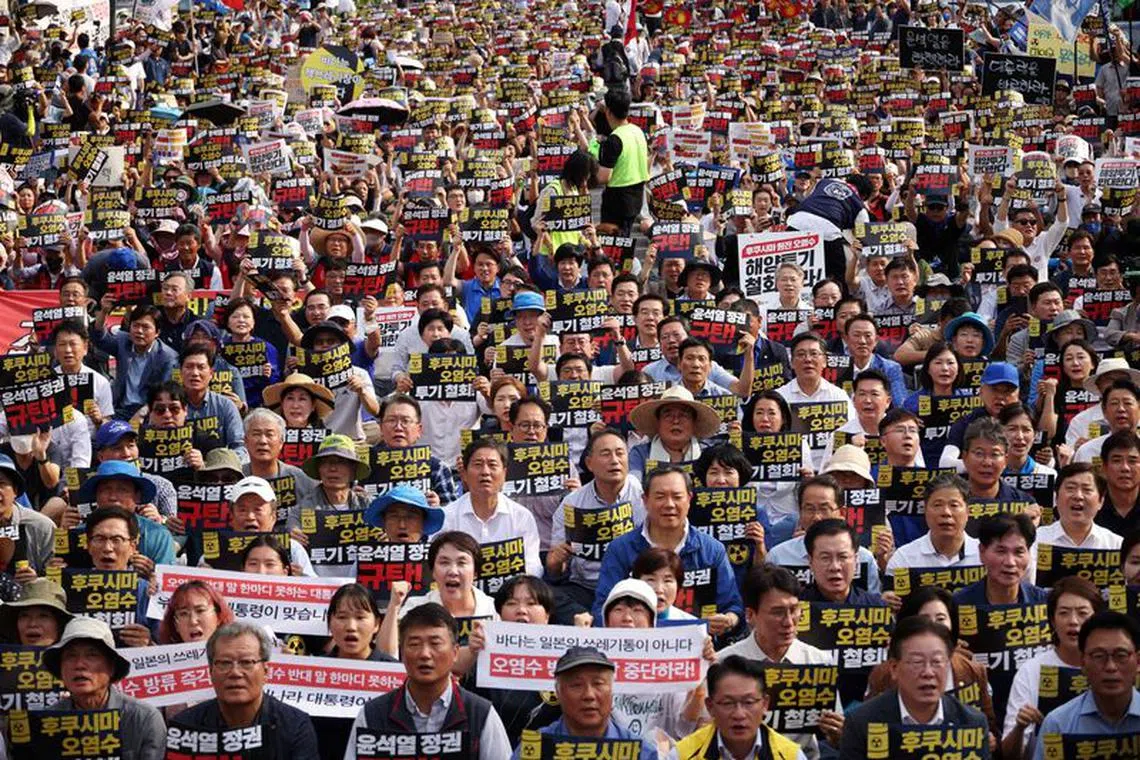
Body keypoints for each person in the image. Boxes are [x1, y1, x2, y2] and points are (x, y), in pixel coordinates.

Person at [346, 603, 511, 760]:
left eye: (435, 643)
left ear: (455, 653)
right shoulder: (372, 715)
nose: (425, 654)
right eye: (414, 644)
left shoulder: (480, 714)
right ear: (402, 653)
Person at [592, 466, 743, 635]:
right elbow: (602, 607)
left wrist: (728, 620)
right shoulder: (621, 549)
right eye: (660, 497)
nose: (669, 504)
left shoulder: (712, 550)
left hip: (698, 647)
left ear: (689, 499)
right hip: (634, 645)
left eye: (677, 497)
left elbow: (733, 607)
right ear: (645, 500)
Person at [717, 566, 844, 758]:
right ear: (750, 615)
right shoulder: (724, 664)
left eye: (794, 610)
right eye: (777, 612)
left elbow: (835, 735)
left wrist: (838, 734)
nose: (788, 622)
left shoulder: (818, 661)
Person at [840, 617, 992, 760]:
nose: (928, 672)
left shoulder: (972, 722)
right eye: (917, 662)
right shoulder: (861, 723)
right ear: (894, 668)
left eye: (937, 662)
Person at [865, 586, 998, 737]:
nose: (934, 626)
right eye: (924, 619)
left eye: (941, 619)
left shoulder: (973, 670)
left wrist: (988, 740)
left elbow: (989, 724)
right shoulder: (884, 674)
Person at [173, 621, 319, 756]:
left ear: (266, 671)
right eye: (224, 663)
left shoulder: (295, 726)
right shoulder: (185, 727)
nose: (235, 672)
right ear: (210, 671)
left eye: (246, 662)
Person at [548, 427, 645, 624]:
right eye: (606, 454)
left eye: (620, 453)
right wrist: (555, 561)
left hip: (630, 586)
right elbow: (555, 571)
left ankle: (595, 622)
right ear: (589, 463)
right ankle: (591, 620)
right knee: (545, 596)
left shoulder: (644, 496)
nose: (615, 460)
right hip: (584, 587)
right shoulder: (571, 504)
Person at [1003, 576, 1104, 759]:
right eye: (1064, 613)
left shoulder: (1112, 667)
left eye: (1083, 613)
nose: (1073, 621)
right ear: (1052, 620)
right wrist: (1020, 727)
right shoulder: (1031, 671)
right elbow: (1010, 755)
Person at [43, 617, 165, 760]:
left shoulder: (144, 719)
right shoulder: (47, 723)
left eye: (92, 655)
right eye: (71, 656)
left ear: (112, 667)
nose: (79, 664)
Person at [508, 645, 660, 760]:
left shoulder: (640, 752)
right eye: (576, 685)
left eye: (598, 684)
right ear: (558, 693)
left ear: (612, 690)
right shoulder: (536, 749)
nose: (589, 695)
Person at [1033, 611, 1140, 760]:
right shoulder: (1058, 724)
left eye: (1120, 655)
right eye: (1098, 656)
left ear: (1138, 662)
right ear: (1083, 662)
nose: (1110, 667)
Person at [767, 473, 884, 595]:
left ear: (842, 512)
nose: (817, 517)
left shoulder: (864, 558)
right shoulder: (778, 557)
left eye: (824, 508)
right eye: (810, 509)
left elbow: (873, 605)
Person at [441, 439, 542, 578]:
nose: (485, 472)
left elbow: (532, 566)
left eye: (492, 465)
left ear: (504, 473)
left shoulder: (521, 516)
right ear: (464, 473)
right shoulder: (447, 516)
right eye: (478, 465)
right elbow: (439, 565)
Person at [676, 655, 807, 760]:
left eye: (749, 702)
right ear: (710, 706)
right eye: (728, 703)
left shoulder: (790, 755)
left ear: (765, 704)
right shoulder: (682, 755)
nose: (739, 714)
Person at [886, 473, 981, 578]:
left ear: (968, 512)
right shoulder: (904, 558)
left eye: (954, 505)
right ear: (925, 510)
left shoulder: (984, 555)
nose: (946, 512)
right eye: (937, 505)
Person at [627, 384, 721, 479]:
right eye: (668, 415)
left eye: (683, 415)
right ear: (658, 423)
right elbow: (635, 484)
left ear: (694, 423)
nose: (676, 421)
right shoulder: (640, 454)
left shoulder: (708, 453)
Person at [953, 513, 1046, 606]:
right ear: (982, 552)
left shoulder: (1044, 602)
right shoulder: (958, 604)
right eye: (1001, 551)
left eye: (1019, 552)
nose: (1010, 562)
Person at [1035, 463, 1123, 551]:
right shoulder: (1035, 540)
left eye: (1087, 490)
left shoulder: (1115, 545)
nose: (1078, 496)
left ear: (1101, 501)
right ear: (1056, 497)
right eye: (1070, 488)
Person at [802, 519, 886, 605]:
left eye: (843, 557)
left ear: (856, 561)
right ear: (810, 562)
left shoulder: (875, 607)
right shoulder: (795, 608)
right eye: (825, 558)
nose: (835, 567)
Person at [0, 454, 54, 581]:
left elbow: (58, 577)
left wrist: (37, 580)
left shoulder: (41, 527)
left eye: (1, 483)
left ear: (15, 491)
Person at [156, 579, 236, 645]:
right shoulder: (165, 662)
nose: (193, 621)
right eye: (184, 613)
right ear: (176, 625)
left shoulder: (238, 658)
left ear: (218, 617)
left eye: (200, 610)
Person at [0, 578, 72, 646]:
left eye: (43, 616)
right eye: (24, 616)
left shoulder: (77, 659)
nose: (32, 624)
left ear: (60, 625)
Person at [362, 484, 445, 543]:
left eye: (411, 517)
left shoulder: (435, 560)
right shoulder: (367, 560)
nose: (402, 525)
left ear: (423, 522)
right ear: (384, 522)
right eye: (394, 516)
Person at [262, 372, 335, 430]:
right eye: (290, 398)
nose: (295, 406)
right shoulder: (271, 438)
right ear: (282, 404)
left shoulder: (325, 441)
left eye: (302, 399)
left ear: (313, 406)